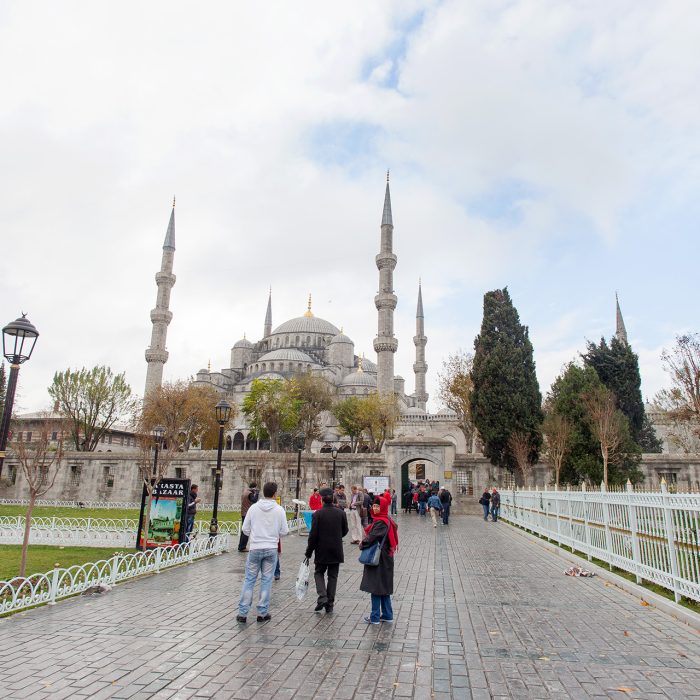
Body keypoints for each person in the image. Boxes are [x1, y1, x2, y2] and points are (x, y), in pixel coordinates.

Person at [236, 481, 289, 623]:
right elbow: (284, 531)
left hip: (255, 547)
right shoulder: (279, 510)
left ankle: (243, 613)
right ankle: (262, 612)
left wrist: (255, 535)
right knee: (266, 580)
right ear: (275, 494)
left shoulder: (253, 508)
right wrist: (274, 535)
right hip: (271, 547)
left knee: (249, 579)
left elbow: (245, 529)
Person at [305, 487, 349, 614]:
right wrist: (336, 536)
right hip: (336, 548)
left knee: (319, 572)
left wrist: (309, 551)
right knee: (333, 576)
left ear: (322, 500)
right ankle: (329, 604)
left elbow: (313, 535)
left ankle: (323, 596)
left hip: (322, 549)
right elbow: (345, 530)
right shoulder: (341, 513)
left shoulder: (317, 514)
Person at [360, 494, 398, 624]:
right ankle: (387, 615)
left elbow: (371, 538)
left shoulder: (381, 522)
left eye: (377, 506)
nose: (375, 508)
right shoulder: (386, 520)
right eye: (374, 506)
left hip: (379, 559)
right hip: (385, 557)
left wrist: (362, 544)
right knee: (383, 587)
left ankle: (375, 617)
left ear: (383, 507)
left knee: (376, 587)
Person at [238, 481, 259, 552]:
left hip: (243, 512)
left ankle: (241, 546)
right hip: (247, 514)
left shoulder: (245, 492)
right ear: (254, 487)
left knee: (244, 530)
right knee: (246, 530)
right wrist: (257, 493)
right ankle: (242, 547)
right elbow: (254, 500)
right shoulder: (250, 493)